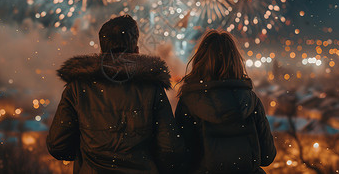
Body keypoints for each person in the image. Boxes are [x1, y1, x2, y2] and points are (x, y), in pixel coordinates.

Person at [47, 15, 184, 174]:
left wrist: (85, 152)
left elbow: (57, 146)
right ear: (137, 51)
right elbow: (171, 148)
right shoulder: (152, 87)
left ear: (101, 51)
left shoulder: (77, 87)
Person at [175, 29, 276, 173]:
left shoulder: (189, 102)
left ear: (200, 61)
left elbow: (182, 158)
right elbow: (267, 156)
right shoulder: (251, 100)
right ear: (235, 61)